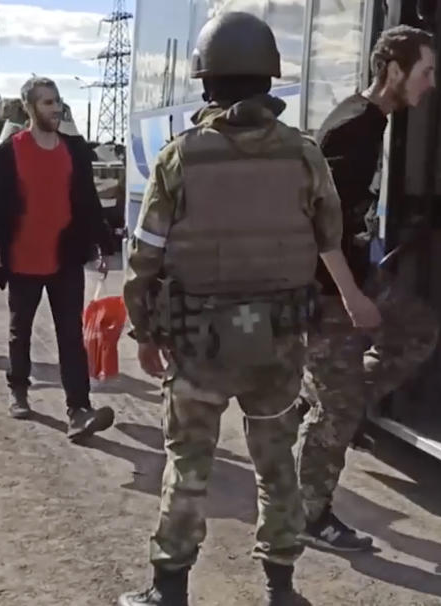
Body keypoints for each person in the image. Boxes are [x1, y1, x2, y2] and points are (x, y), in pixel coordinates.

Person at [118, 13, 381, 606]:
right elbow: (330, 236)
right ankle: (282, 587)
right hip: (278, 343)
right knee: (276, 465)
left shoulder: (180, 157)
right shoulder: (305, 155)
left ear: (206, 83)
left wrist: (144, 329)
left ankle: (169, 589)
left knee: (187, 467)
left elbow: (146, 257)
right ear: (269, 79)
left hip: (198, 346)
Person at [295, 25, 440, 553]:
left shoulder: (370, 121)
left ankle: (326, 393)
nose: (431, 83)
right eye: (425, 71)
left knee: (417, 331)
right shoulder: (354, 130)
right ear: (394, 71)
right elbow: (317, 226)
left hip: (355, 273)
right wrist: (353, 296)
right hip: (330, 287)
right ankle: (308, 515)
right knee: (337, 410)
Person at [0, 77, 116, 442]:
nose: (56, 108)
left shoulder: (74, 150)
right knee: (21, 330)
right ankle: (18, 389)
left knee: (71, 334)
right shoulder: (7, 153)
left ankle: (79, 410)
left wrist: (104, 243)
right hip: (23, 257)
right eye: (48, 103)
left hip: (64, 256)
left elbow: (88, 202)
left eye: (57, 102)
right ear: (30, 108)